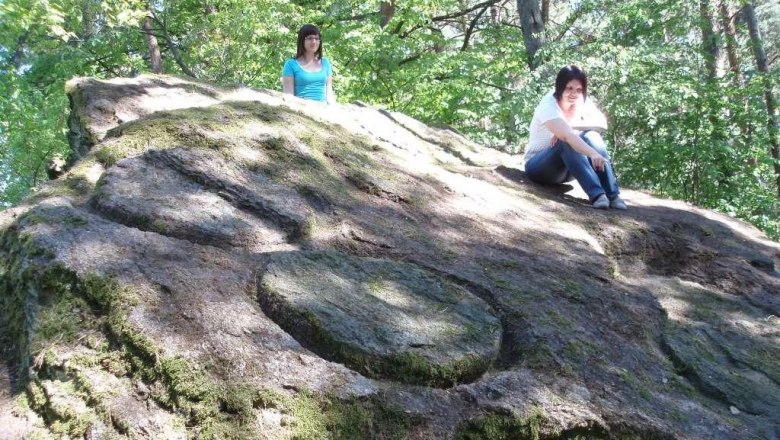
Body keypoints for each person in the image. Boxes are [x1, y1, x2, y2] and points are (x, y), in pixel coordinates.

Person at [524, 65, 627, 210]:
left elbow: (602, 123)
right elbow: (566, 136)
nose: (574, 93)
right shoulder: (548, 104)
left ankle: (613, 195)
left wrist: (572, 127)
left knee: (592, 135)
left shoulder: (581, 101)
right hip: (540, 167)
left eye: (579, 90)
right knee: (564, 141)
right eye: (569, 88)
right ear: (560, 87)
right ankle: (597, 195)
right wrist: (591, 153)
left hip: (570, 169)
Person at [282, 24, 335, 104]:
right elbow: (288, 96)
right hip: (301, 111)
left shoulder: (325, 63)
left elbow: (329, 93)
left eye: (317, 38)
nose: (314, 41)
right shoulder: (290, 64)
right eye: (310, 38)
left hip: (323, 111)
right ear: (302, 41)